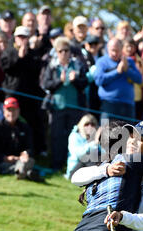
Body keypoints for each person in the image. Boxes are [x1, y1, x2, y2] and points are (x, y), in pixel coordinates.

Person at [42, 36, 88, 171]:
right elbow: (46, 84)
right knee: (56, 137)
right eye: (61, 51)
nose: (64, 53)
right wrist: (59, 81)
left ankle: (71, 167)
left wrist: (75, 80)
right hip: (57, 107)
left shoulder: (77, 65)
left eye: (66, 50)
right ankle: (57, 165)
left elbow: (85, 83)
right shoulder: (52, 66)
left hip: (75, 107)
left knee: (73, 137)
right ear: (56, 52)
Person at [1, 25, 47, 156]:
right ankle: (7, 152)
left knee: (34, 122)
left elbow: (37, 71)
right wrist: (18, 57)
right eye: (19, 37)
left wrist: (26, 56)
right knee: (10, 121)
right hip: (12, 93)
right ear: (15, 38)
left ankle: (37, 151)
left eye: (24, 37)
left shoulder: (33, 54)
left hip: (29, 96)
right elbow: (5, 67)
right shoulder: (9, 52)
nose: (22, 40)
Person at [0, 97, 42, 182]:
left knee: (28, 161)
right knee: (4, 166)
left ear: (18, 111)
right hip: (3, 162)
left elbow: (30, 147)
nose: (11, 113)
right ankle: (27, 173)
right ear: (4, 112)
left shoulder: (25, 127)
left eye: (14, 110)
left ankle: (22, 172)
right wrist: (5, 158)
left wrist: (25, 153)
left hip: (21, 160)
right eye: (9, 110)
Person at [94, 38, 142, 121]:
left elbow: (139, 79)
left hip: (128, 104)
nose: (114, 53)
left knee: (127, 133)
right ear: (107, 49)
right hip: (109, 103)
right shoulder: (101, 61)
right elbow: (99, 80)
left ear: (122, 49)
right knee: (107, 133)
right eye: (112, 50)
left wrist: (127, 70)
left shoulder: (129, 61)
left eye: (117, 50)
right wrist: (117, 72)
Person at [66, 114, 101, 180]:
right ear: (81, 125)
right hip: (74, 170)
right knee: (89, 156)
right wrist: (94, 143)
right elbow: (79, 154)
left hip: (89, 167)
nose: (89, 126)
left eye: (92, 124)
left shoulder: (96, 137)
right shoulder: (74, 136)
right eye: (86, 124)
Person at [122, 37, 143, 119]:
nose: (129, 49)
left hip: (136, 96)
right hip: (122, 96)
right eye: (127, 46)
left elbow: (142, 82)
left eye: (131, 46)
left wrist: (137, 75)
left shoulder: (139, 61)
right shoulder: (118, 59)